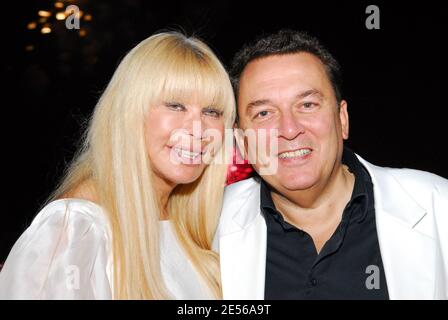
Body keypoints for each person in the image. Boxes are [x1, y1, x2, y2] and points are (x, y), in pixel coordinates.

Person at [213, 29, 448, 299]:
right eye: (264, 113)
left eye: (308, 105)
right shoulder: (209, 227)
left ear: (342, 119)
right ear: (242, 141)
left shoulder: (439, 207)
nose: (289, 129)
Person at [0, 31, 235, 299]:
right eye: (175, 105)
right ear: (129, 112)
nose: (198, 129)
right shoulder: (76, 229)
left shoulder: (195, 223)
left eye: (212, 112)